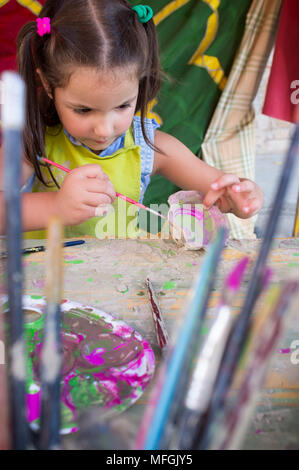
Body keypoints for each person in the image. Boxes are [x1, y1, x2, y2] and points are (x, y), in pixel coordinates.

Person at [0, 0, 263, 238]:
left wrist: (242, 197)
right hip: (43, 286)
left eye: (123, 106)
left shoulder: (153, 148)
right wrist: (56, 206)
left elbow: (221, 188)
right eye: (83, 110)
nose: (104, 129)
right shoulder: (31, 142)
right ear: (48, 85)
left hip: (119, 286)